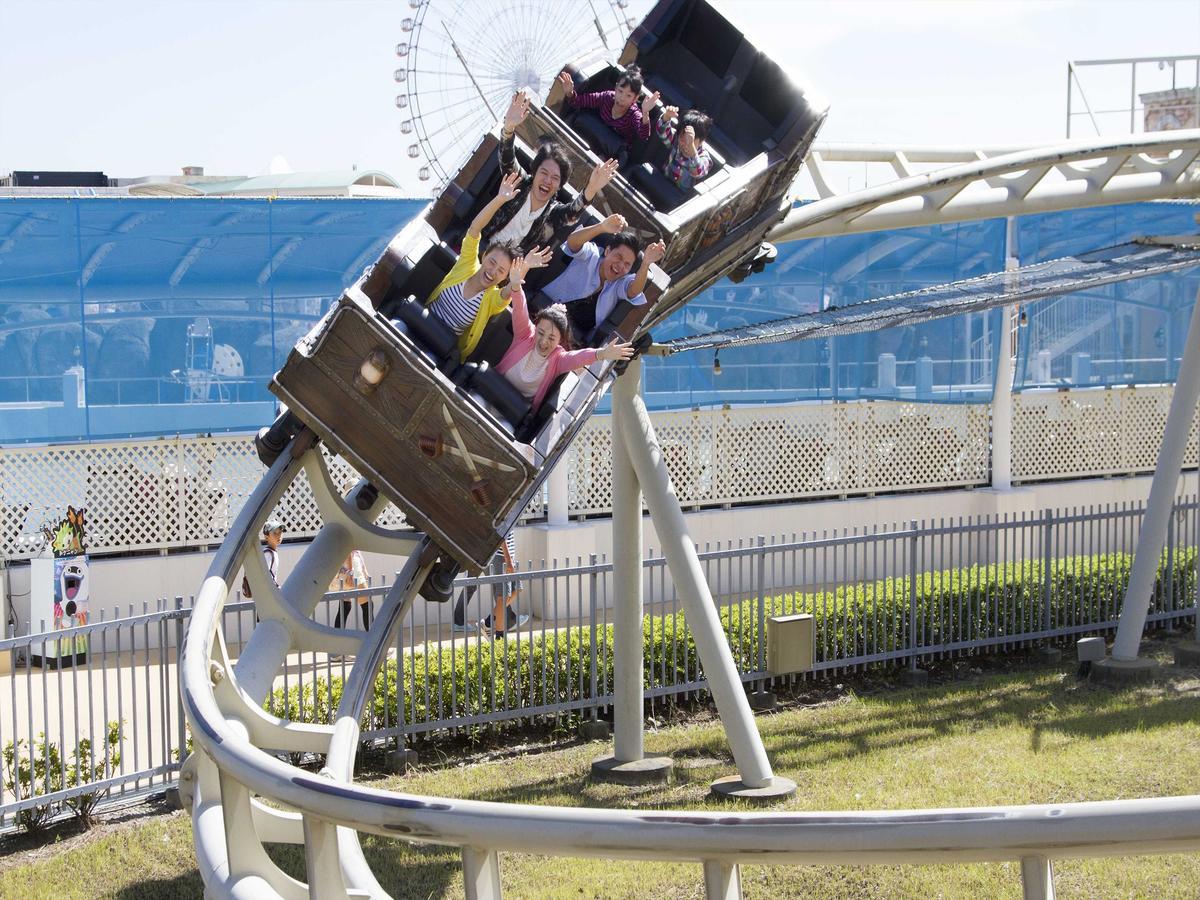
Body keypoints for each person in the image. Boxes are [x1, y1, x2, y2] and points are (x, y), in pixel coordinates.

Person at [422, 172, 541, 362]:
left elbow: (511, 289)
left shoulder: (491, 300)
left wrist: (524, 267)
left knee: (426, 361)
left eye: (501, 271)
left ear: (504, 278)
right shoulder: (468, 264)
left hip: (439, 347)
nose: (493, 271)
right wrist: (500, 199)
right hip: (421, 320)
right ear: (484, 256)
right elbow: (475, 228)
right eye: (492, 262)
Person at [484, 92, 619, 255]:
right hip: (483, 248)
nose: (547, 180)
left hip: (507, 273)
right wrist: (509, 128)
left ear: (560, 185)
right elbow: (507, 159)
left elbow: (573, 212)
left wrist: (592, 188)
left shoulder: (553, 214)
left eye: (555, 178)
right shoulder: (519, 184)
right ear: (534, 172)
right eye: (544, 173)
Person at [496, 256, 634, 412]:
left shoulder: (558, 359)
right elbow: (520, 310)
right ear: (536, 327)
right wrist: (515, 286)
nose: (543, 341)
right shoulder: (525, 334)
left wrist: (602, 353)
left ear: (560, 341)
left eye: (551, 338)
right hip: (493, 385)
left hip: (516, 409)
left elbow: (579, 357)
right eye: (541, 333)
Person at [540, 214, 666, 345]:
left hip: (571, 341)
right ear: (607, 251)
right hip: (545, 314)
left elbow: (634, 291)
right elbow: (572, 242)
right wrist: (601, 227)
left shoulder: (620, 283)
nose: (621, 266)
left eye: (627, 264)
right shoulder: (592, 255)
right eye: (618, 257)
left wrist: (646, 264)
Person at [557, 65, 658, 163]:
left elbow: (644, 134)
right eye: (620, 91)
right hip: (592, 136)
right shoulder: (607, 97)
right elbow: (579, 101)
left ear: (635, 98)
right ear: (616, 87)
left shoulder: (634, 114)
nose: (622, 98)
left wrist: (645, 112)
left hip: (611, 153)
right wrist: (570, 92)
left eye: (628, 95)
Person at [655, 106, 714, 190]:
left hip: (680, 195)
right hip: (663, 180)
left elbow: (698, 172)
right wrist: (666, 117)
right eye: (682, 137)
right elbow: (662, 133)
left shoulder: (703, 157)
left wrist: (692, 149)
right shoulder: (676, 141)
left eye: (691, 140)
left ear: (701, 141)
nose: (685, 143)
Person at [331, 550, 371, 631]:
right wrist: (350, 572)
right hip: (351, 568)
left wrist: (364, 569)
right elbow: (349, 549)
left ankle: (337, 638)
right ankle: (373, 638)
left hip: (346, 568)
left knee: (344, 607)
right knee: (367, 606)